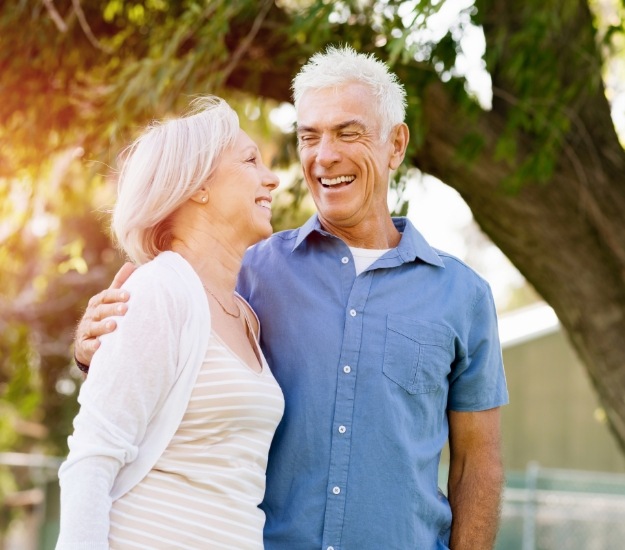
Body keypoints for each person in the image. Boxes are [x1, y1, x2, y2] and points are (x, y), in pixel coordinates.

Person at [74, 46, 508, 549]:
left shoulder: (463, 296)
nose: (325, 156)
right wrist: (94, 347)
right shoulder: (246, 272)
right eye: (309, 136)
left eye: (348, 133)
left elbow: (479, 463)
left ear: (395, 145)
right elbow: (154, 354)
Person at [56, 96, 284, 549]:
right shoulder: (159, 291)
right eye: (250, 160)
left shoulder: (245, 316)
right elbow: (92, 457)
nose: (272, 177)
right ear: (198, 185)